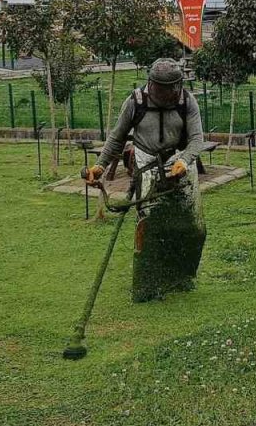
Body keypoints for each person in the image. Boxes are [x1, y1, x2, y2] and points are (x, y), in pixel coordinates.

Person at [85, 58, 206, 302]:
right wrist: (100, 166)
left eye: (172, 87)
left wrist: (185, 160)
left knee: (193, 228)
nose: (168, 93)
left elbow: (196, 139)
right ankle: (146, 286)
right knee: (148, 228)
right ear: (152, 84)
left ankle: (181, 279)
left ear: (179, 84)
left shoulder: (187, 101)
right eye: (162, 88)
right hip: (147, 164)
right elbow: (117, 137)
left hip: (179, 163)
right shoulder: (135, 102)